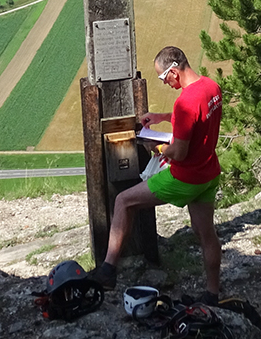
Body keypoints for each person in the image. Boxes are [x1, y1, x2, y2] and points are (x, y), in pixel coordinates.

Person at [88, 46, 223, 303]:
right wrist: (163, 117)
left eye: (163, 77)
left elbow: (179, 153)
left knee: (123, 201)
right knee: (205, 232)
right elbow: (195, 117)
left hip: (185, 177)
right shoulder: (210, 87)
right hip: (209, 173)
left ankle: (108, 270)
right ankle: (212, 293)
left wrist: (155, 146)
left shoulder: (185, 101)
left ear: (174, 71)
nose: (164, 83)